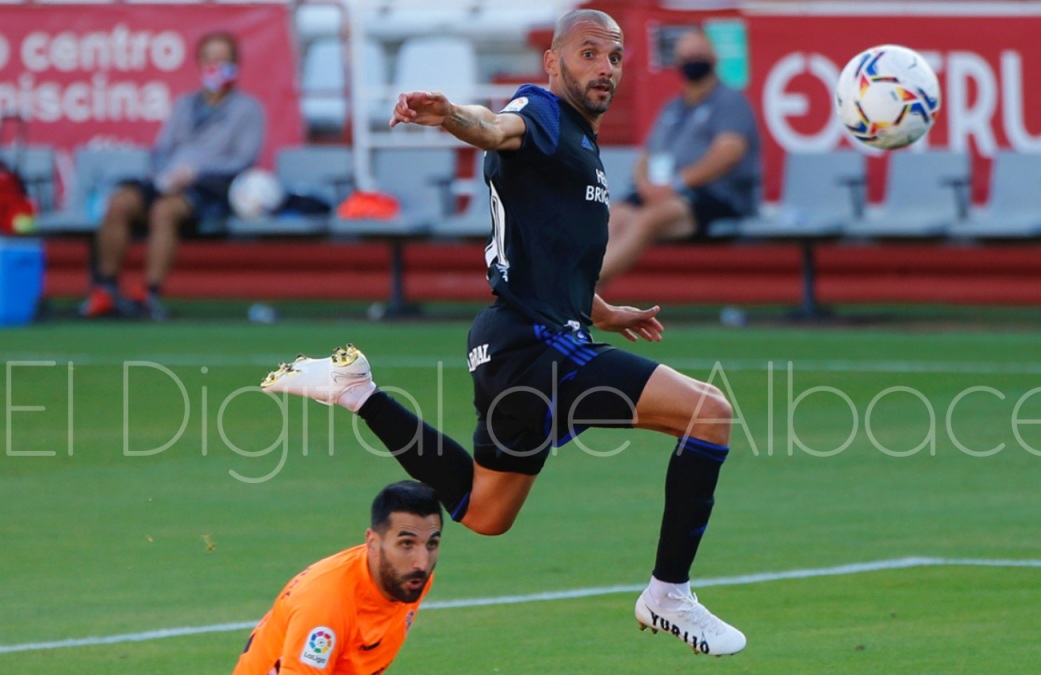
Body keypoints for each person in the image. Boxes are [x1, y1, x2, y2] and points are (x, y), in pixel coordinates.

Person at [260, 9, 745, 656]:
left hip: (516, 342)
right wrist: (454, 117)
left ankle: (358, 393)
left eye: (615, 56)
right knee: (707, 414)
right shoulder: (542, 112)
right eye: (589, 53)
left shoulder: (579, 145)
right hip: (536, 345)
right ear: (553, 62)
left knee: (486, 512)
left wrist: (601, 309)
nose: (604, 67)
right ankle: (668, 593)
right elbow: (497, 125)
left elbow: (539, 253)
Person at [81, 31, 265, 320]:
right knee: (120, 202)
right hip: (168, 180)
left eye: (224, 59)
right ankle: (105, 290)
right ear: (199, 63)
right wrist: (165, 175)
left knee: (164, 211)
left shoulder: (248, 109)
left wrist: (196, 173)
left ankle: (149, 293)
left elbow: (243, 160)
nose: (216, 64)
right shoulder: (184, 104)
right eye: (210, 58)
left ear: (236, 64)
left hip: (209, 189)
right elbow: (163, 148)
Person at [598, 28, 761, 287]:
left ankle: (584, 289)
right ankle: (576, 285)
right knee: (615, 215)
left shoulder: (730, 102)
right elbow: (646, 156)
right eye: (685, 55)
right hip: (662, 192)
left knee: (648, 219)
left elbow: (728, 153)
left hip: (715, 197)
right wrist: (644, 185)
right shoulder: (672, 107)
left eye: (698, 53)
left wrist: (677, 184)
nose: (692, 60)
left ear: (713, 57)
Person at [233, 480, 442, 674]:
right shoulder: (327, 604)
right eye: (406, 544)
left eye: (431, 544)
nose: (422, 563)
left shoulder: (411, 580)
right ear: (373, 542)